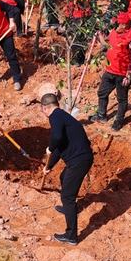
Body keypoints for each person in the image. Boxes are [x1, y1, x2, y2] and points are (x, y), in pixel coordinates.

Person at [40, 93, 94, 246]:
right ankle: (68, 209)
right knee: (64, 178)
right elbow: (60, 145)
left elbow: (56, 138)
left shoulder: (55, 117)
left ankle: (71, 236)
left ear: (45, 108)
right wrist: (49, 166)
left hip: (80, 161)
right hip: (80, 159)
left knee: (67, 197)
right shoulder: (62, 115)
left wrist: (49, 148)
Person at [89, 12, 131, 131]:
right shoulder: (114, 32)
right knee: (102, 92)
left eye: (118, 23)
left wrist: (129, 75)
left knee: (121, 98)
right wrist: (100, 36)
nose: (115, 25)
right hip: (110, 70)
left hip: (123, 74)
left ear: (124, 25)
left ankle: (119, 120)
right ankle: (101, 115)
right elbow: (107, 44)